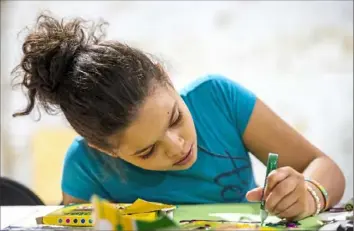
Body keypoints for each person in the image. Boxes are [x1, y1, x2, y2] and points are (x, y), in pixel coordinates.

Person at [12, 13, 345, 221]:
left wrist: (310, 194)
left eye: (174, 118)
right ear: (105, 150)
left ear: (166, 77)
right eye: (146, 151)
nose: (176, 146)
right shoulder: (86, 166)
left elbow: (325, 167)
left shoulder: (219, 99)